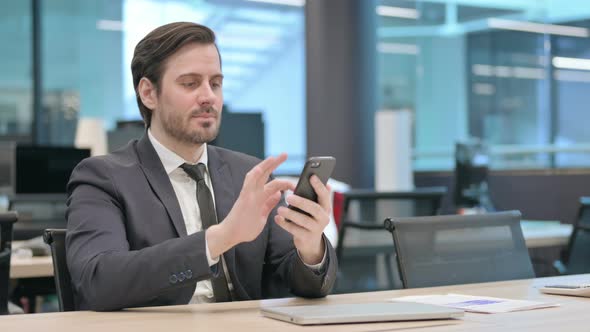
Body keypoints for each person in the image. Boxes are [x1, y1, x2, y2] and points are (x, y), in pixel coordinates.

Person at [65, 22, 337, 311]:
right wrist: (220, 238)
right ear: (148, 93)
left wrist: (310, 248)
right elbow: (98, 282)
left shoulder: (250, 174)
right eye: (190, 83)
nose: (209, 96)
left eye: (215, 83)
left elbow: (299, 282)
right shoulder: (103, 177)